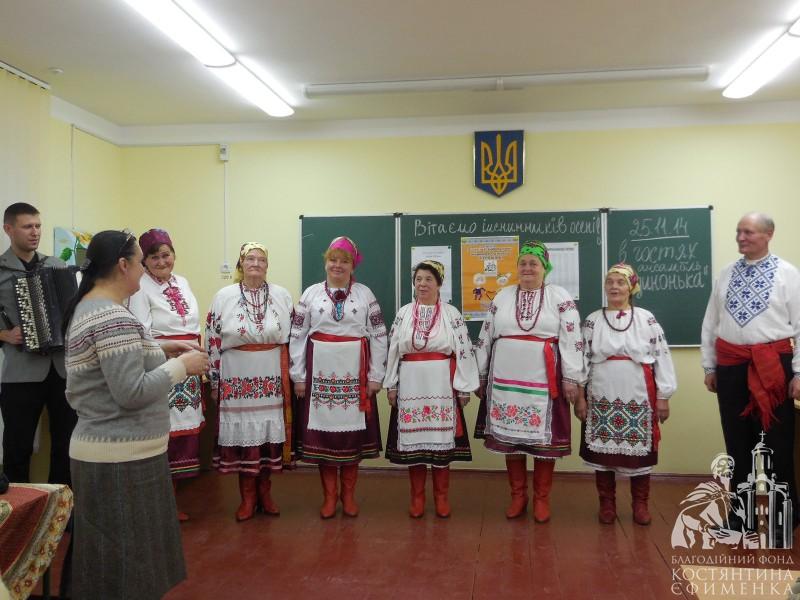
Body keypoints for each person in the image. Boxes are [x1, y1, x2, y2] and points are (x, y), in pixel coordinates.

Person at [63, 230, 208, 599]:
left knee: (110, 565)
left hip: (111, 453)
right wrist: (183, 366)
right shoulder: (113, 317)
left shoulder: (92, 307)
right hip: (120, 459)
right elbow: (131, 392)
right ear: (123, 265)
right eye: (142, 261)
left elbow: (118, 362)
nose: (145, 270)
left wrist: (161, 349)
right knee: (130, 570)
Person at [701, 212, 800, 526]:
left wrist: (799, 373)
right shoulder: (726, 274)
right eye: (738, 231)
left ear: (768, 234)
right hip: (731, 367)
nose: (741, 237)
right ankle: (740, 516)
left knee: (777, 443)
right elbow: (711, 322)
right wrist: (709, 366)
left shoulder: (788, 274)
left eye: (748, 232)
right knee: (737, 442)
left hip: (773, 367)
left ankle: (785, 515)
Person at [474, 240, 583, 522]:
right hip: (505, 378)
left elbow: (572, 339)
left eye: (534, 263)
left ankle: (542, 499)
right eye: (523, 263)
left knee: (543, 443)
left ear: (545, 268)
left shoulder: (560, 297)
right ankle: (518, 496)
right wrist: (480, 373)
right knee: (510, 438)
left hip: (544, 380)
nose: (527, 268)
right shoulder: (502, 296)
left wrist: (572, 377)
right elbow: (485, 335)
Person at [290, 236, 387, 518]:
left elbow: (379, 335)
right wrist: (299, 376)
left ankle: (349, 496)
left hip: (355, 375)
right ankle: (330, 497)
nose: (337, 265)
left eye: (344, 261)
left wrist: (376, 375)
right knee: (324, 438)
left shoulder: (365, 295)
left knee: (352, 437)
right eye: (333, 260)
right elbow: (297, 336)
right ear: (326, 262)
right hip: (319, 374)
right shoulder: (310, 295)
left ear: (352, 265)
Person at [573, 263, 675, 525]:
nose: (614, 287)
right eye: (610, 282)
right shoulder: (593, 320)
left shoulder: (646, 318)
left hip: (638, 392)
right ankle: (607, 503)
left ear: (631, 288)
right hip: (601, 393)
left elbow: (662, 355)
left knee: (639, 452)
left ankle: (640, 504)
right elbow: (581, 359)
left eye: (620, 282)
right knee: (602, 454)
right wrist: (581, 397)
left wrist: (663, 396)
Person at [383, 260, 479, 518]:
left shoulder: (451, 314)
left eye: (428, 279)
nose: (422, 284)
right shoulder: (404, 313)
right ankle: (417, 497)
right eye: (418, 279)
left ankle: (441, 497)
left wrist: (463, 388)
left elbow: (464, 350)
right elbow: (393, 349)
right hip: (410, 384)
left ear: (439, 284)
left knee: (441, 444)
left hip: (441, 385)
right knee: (413, 445)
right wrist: (391, 384)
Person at [206, 242, 293, 521]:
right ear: (240, 264)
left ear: (267, 265)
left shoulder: (282, 295)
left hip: (271, 374)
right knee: (244, 438)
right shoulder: (224, 296)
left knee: (268, 437)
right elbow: (212, 339)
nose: (256, 263)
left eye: (261, 259)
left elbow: (293, 338)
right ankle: (247, 498)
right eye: (250, 259)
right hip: (237, 375)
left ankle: (265, 493)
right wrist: (215, 381)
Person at [128, 228, 204, 521]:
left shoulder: (182, 282)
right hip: (163, 364)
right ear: (144, 261)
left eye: (166, 255)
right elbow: (141, 332)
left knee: (183, 437)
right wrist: (172, 351)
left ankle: (169, 502)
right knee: (164, 435)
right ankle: (159, 506)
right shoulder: (140, 286)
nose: (161, 262)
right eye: (154, 257)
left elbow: (193, 323)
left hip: (189, 366)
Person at [0, 202, 77, 484]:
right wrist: (4, 335)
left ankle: (63, 505)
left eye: (38, 226)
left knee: (66, 444)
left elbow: (72, 310)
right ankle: (17, 508)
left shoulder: (56, 265)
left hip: (61, 371)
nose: (35, 232)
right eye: (27, 227)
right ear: (8, 229)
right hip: (20, 373)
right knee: (17, 446)